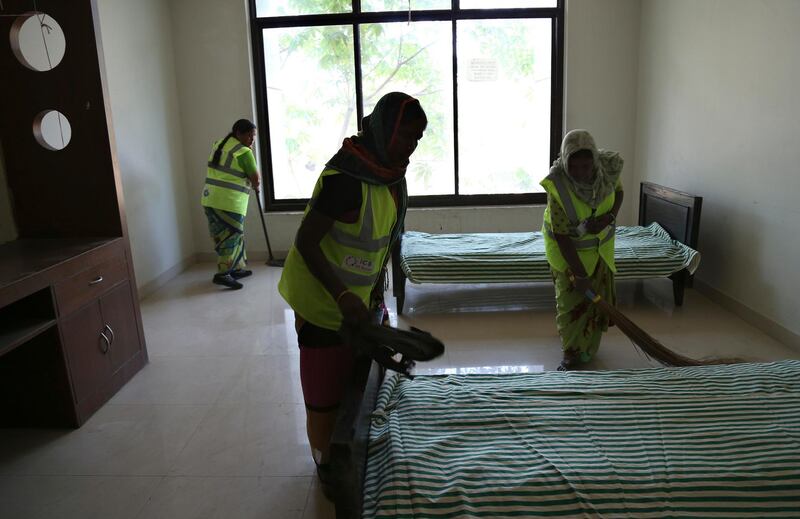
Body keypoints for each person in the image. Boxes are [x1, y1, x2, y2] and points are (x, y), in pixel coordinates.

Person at [278, 92, 426, 492]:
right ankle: (325, 463)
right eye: (405, 136)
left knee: (356, 377)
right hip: (320, 300)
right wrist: (343, 297)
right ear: (383, 131)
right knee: (325, 390)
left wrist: (375, 302)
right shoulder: (346, 180)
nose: (411, 147)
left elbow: (381, 245)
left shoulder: (392, 179)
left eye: (418, 139)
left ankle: (348, 448)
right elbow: (306, 243)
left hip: (357, 299)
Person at [541, 129, 624, 371]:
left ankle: (588, 347)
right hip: (567, 256)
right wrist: (579, 275)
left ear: (595, 163)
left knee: (594, 304)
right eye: (574, 167)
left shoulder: (607, 170)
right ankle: (571, 352)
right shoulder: (557, 185)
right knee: (571, 304)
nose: (580, 173)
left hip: (600, 252)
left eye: (586, 167)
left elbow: (619, 192)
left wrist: (609, 217)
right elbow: (562, 236)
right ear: (565, 161)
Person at [201, 119, 261, 290]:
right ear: (238, 134)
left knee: (226, 235)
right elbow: (255, 177)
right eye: (249, 135)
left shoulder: (219, 144)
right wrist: (257, 186)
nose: (251, 139)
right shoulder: (243, 152)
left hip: (210, 199)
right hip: (228, 201)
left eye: (253, 136)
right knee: (231, 236)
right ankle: (223, 274)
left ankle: (235, 268)